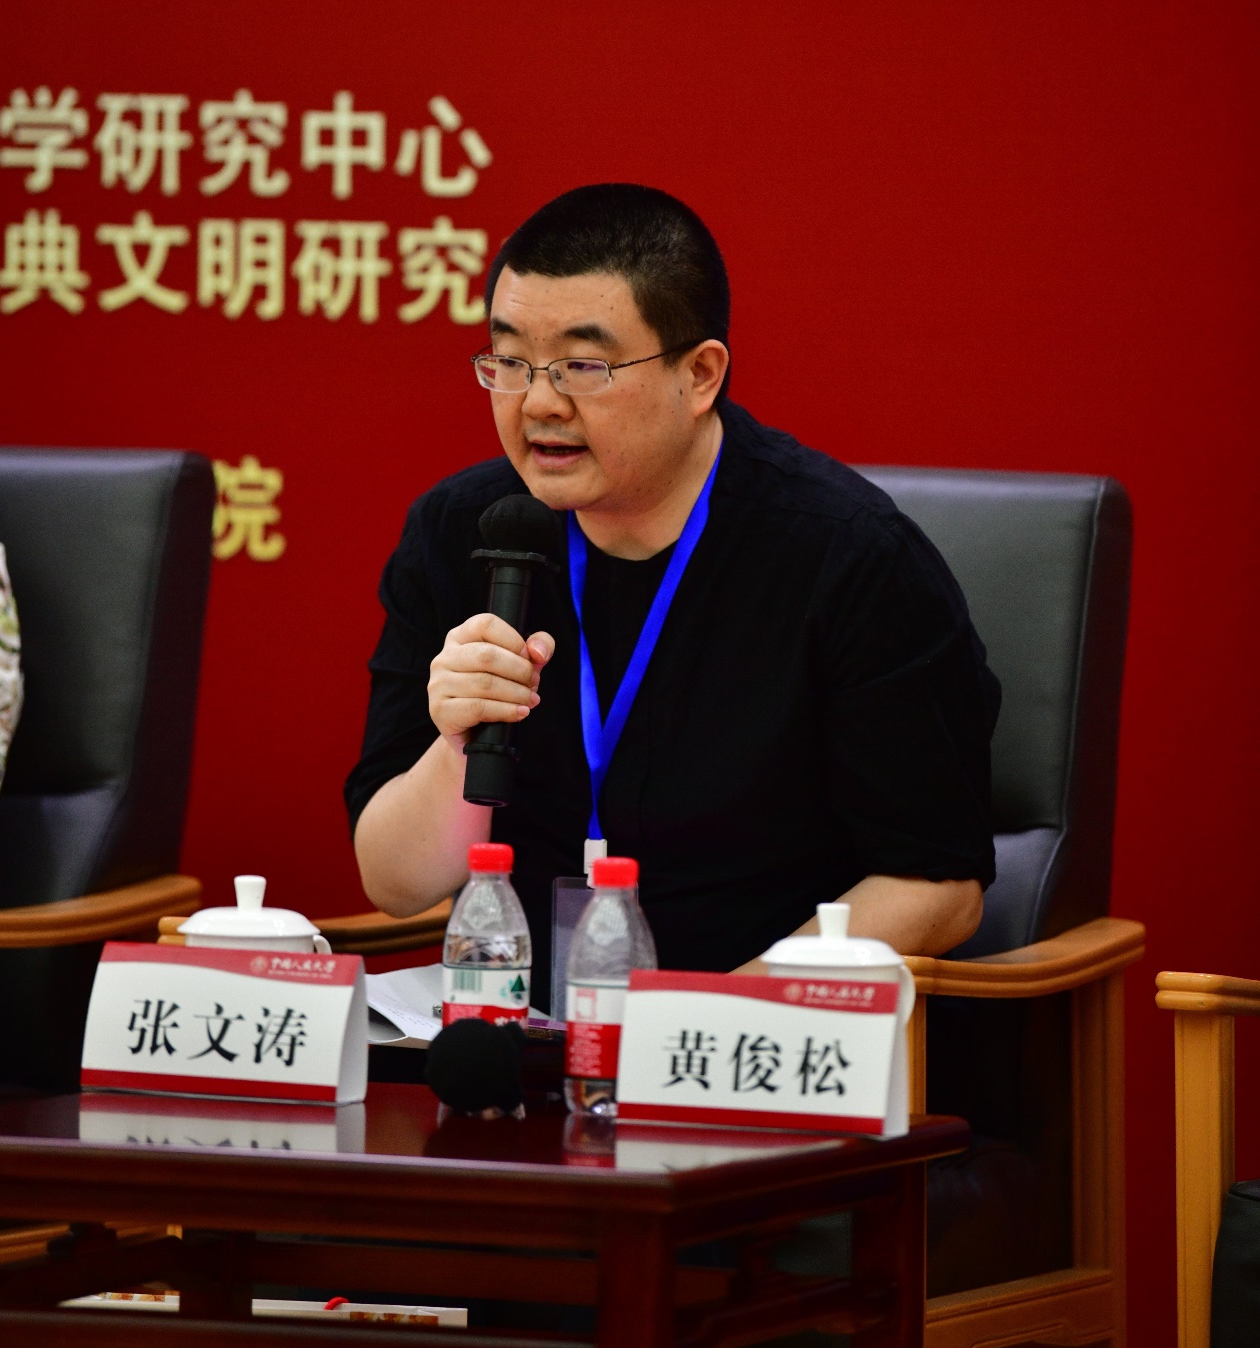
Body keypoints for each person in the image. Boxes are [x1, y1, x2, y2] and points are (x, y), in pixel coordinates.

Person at [346, 183, 1000, 1010]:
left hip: (758, 1038)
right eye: (509, 362)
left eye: (583, 366)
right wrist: (455, 746)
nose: (537, 402)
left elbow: (937, 885)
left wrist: (704, 1025)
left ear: (698, 375)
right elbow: (396, 884)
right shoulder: (462, 531)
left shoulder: (848, 558)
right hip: (518, 1031)